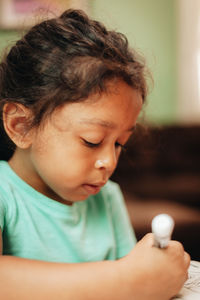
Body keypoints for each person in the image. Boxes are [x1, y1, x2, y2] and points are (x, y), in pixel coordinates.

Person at [0, 9, 190, 300]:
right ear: (21, 125)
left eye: (119, 144)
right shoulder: (4, 194)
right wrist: (131, 280)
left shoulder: (108, 198)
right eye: (92, 141)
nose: (110, 162)